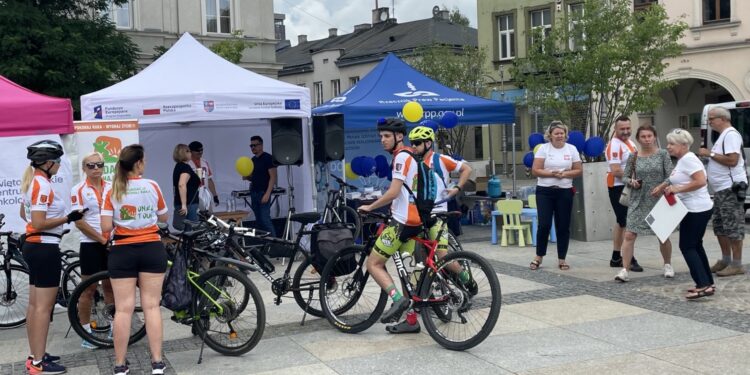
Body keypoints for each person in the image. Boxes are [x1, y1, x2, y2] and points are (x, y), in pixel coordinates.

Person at [359, 120, 476, 327]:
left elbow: (394, 191)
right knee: (408, 270)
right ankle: (411, 320)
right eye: (381, 137)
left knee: (374, 263)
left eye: (386, 136)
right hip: (418, 219)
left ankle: (398, 300)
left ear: (398, 137)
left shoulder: (402, 158)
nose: (382, 140)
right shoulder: (414, 158)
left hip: (403, 222)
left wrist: (371, 206)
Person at [101, 144, 169, 375]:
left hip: (122, 251)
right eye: (145, 160)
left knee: (123, 310)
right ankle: (157, 362)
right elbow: (164, 216)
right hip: (151, 247)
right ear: (138, 163)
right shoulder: (152, 185)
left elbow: (105, 227)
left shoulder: (111, 190)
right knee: (151, 306)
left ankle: (120, 365)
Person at [21, 140, 86, 374]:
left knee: (35, 306)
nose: (59, 165)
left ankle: (35, 355)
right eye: (57, 162)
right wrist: (68, 218)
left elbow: (24, 213)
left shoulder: (33, 181)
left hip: (35, 246)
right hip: (43, 247)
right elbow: (38, 223)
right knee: (43, 308)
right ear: (48, 163)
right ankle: (38, 363)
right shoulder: (43, 185)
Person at [614, 125, 675, 282]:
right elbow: (625, 177)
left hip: (658, 199)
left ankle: (667, 264)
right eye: (643, 137)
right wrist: (631, 181)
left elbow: (671, 176)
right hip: (638, 199)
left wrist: (661, 187)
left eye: (649, 136)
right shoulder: (633, 156)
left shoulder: (663, 154)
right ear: (638, 139)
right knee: (629, 234)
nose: (647, 139)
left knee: (663, 236)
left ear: (654, 137)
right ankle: (625, 270)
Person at [664, 129, 715, 299]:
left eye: (672, 144)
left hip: (696, 209)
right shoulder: (684, 160)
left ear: (684, 145)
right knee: (696, 245)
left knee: (687, 246)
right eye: (668, 143)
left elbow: (701, 181)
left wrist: (677, 189)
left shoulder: (689, 160)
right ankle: (707, 283)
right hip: (694, 208)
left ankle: (702, 284)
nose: (668, 147)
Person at [70, 152, 113, 349]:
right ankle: (86, 333)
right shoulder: (77, 189)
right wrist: (101, 239)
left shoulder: (112, 187)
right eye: (90, 165)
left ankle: (114, 328)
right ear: (84, 168)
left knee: (111, 287)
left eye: (99, 165)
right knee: (87, 289)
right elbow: (79, 222)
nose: (96, 168)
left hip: (111, 242)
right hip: (90, 244)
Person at [697, 107, 747, 277]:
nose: (709, 122)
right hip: (720, 189)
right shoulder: (723, 136)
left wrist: (709, 153)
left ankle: (737, 263)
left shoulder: (731, 135)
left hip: (730, 188)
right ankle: (726, 259)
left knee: (733, 225)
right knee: (719, 225)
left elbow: (733, 160)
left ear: (723, 119)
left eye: (712, 119)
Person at [530, 121, 582, 271]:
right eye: (556, 133)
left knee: (563, 225)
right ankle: (538, 256)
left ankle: (562, 259)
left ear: (566, 135)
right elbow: (536, 170)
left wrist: (564, 174)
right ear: (550, 136)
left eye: (562, 133)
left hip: (564, 191)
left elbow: (578, 170)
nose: (560, 136)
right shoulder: (544, 149)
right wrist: (552, 173)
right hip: (545, 191)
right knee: (544, 224)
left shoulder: (571, 149)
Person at [605, 116, 644, 272]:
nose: (626, 131)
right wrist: (631, 180)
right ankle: (629, 258)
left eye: (628, 128)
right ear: (615, 128)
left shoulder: (630, 143)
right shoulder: (614, 145)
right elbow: (615, 171)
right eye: (622, 129)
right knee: (628, 223)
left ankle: (616, 257)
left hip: (628, 186)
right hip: (618, 187)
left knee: (621, 222)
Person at [244, 136, 277, 237]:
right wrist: (247, 177)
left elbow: (273, 177)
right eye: (251, 146)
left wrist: (267, 194)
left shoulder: (268, 158)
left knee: (265, 219)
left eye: (255, 145)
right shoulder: (252, 160)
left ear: (261, 145)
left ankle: (276, 243)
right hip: (254, 192)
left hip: (263, 192)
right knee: (259, 220)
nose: (253, 147)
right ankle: (265, 243)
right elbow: (255, 178)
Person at [172, 144, 200, 230]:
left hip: (184, 203)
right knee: (192, 230)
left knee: (188, 231)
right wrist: (184, 205)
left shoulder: (178, 166)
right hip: (189, 204)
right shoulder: (185, 167)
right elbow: (182, 184)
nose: (190, 153)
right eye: (188, 151)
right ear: (185, 153)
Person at [187, 141, 219, 208]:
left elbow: (209, 180)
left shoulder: (204, 162)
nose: (200, 152)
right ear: (191, 151)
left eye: (201, 150)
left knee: (210, 217)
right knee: (196, 218)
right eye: (197, 150)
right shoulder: (187, 164)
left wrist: (215, 196)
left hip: (205, 196)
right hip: (193, 197)